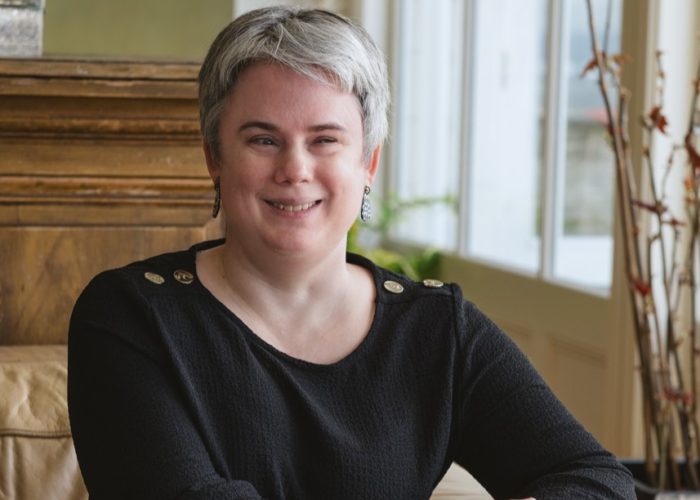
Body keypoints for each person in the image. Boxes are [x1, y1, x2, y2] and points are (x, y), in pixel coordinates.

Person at [67, 6, 635, 500]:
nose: (295, 169)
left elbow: (597, 479)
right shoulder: (129, 316)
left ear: (369, 164)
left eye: (325, 140)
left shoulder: (439, 329)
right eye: (263, 139)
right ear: (214, 157)